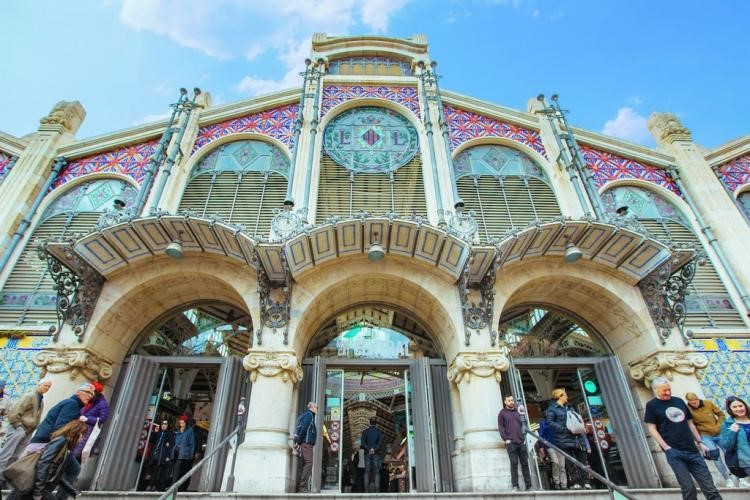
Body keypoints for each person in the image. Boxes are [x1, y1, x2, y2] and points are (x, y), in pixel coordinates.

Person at [644, 377, 721, 500]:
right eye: (664, 391)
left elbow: (690, 424)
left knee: (710, 488)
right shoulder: (652, 405)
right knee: (688, 489)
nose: (668, 392)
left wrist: (700, 442)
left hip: (693, 450)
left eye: (669, 389)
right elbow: (652, 428)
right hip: (674, 452)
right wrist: (667, 448)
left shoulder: (679, 401)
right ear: (655, 390)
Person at [26, 383, 95, 500]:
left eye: (92, 394)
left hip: (46, 442)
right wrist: (64, 447)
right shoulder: (72, 404)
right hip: (47, 443)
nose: (90, 396)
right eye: (88, 392)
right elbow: (60, 427)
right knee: (73, 469)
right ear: (78, 392)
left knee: (63, 469)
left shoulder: (72, 404)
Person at [4, 420, 87, 500]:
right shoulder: (60, 441)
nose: (82, 438)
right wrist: (38, 492)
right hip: (38, 488)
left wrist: (73, 491)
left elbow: (57, 476)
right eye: (82, 434)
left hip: (39, 487)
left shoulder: (64, 447)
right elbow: (43, 463)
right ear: (76, 432)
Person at [0, 379, 51, 479]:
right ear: (39, 385)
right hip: (19, 428)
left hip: (28, 430)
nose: (47, 388)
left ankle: (4, 478)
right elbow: (15, 411)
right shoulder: (30, 395)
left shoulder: (41, 400)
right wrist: (18, 425)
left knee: (16, 456)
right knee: (6, 454)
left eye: (49, 386)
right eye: (46, 385)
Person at [685, 392, 734, 487]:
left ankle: (738, 476)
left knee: (729, 454)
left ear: (698, 399)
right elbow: (691, 425)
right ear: (689, 402)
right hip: (705, 436)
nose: (694, 404)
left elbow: (721, 414)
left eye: (696, 402)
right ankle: (728, 479)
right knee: (716, 457)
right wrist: (697, 441)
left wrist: (719, 425)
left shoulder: (708, 403)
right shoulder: (687, 410)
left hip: (719, 433)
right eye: (692, 403)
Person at [546, 388, 591, 489]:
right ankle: (576, 482)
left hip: (577, 438)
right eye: (565, 395)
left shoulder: (570, 407)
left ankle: (585, 482)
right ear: (559, 396)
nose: (567, 397)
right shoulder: (552, 409)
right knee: (570, 463)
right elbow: (550, 422)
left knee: (582, 461)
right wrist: (563, 429)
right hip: (564, 438)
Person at [498, 394, 532, 491]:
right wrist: (506, 439)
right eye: (509, 400)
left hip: (521, 441)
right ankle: (515, 486)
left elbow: (524, 424)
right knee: (514, 463)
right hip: (511, 442)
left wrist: (524, 438)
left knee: (525, 463)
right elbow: (501, 427)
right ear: (505, 402)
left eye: (512, 400)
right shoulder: (502, 413)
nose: (511, 402)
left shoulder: (518, 412)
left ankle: (529, 486)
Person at [72, 381, 109, 461]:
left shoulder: (102, 403)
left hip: (88, 431)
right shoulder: (88, 400)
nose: (90, 395)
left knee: (76, 454)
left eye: (92, 393)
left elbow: (103, 418)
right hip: (78, 428)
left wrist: (87, 419)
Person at [718, 396, 750, 488]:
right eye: (734, 407)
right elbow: (727, 447)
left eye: (740, 406)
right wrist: (732, 432)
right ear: (730, 409)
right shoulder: (727, 424)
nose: (739, 409)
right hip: (747, 460)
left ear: (745, 406)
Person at [293, 402, 317, 493]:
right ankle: (302, 487)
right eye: (316, 407)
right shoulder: (309, 415)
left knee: (304, 464)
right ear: (311, 407)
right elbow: (304, 428)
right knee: (309, 463)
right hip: (306, 443)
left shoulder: (308, 415)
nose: (317, 409)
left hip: (305, 443)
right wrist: (299, 442)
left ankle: (301, 486)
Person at [539, 416, 566, 490]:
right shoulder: (544, 422)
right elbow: (541, 434)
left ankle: (564, 484)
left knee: (562, 466)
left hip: (560, 446)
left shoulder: (558, 421)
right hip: (550, 446)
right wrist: (541, 446)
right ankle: (556, 482)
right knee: (555, 462)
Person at [148, 419, 175, 491]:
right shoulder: (158, 433)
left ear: (168, 425)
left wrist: (168, 456)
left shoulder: (170, 434)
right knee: (151, 469)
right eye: (163, 423)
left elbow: (171, 446)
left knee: (157, 471)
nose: (163, 425)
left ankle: (152, 486)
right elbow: (151, 440)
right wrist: (154, 432)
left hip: (161, 455)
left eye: (165, 424)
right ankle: (150, 485)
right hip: (153, 454)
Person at [360, 417, 384, 492]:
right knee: (377, 472)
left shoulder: (365, 432)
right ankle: (377, 489)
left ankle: (366, 489)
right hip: (376, 453)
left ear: (369, 423)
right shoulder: (379, 432)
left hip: (367, 453)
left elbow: (363, 443)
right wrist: (374, 449)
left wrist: (368, 449)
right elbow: (380, 442)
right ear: (375, 423)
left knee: (367, 471)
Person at [172, 416, 195, 491]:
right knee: (175, 469)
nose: (181, 423)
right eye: (180, 421)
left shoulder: (190, 431)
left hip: (184, 454)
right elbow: (175, 442)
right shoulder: (177, 431)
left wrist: (191, 455)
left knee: (178, 469)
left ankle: (174, 487)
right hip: (176, 453)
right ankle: (175, 486)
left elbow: (192, 443)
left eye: (182, 422)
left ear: (185, 423)